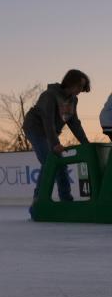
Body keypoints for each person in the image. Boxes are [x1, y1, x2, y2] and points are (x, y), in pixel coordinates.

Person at [23, 69, 91, 204]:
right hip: (35, 128)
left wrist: (86, 143)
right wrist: (55, 144)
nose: (80, 90)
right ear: (70, 82)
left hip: (50, 132)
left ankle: (66, 201)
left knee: (60, 165)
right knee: (50, 162)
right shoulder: (49, 95)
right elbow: (47, 120)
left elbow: (74, 123)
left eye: (82, 87)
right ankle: (38, 203)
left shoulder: (73, 100)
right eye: (79, 86)